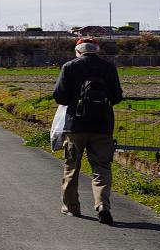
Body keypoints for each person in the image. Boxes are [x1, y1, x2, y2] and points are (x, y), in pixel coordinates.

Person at [52, 34, 125, 224]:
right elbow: (117, 97)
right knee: (101, 168)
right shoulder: (108, 68)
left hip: (75, 127)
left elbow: (59, 96)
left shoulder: (69, 67)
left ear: (78, 51)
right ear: (97, 50)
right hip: (102, 126)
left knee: (72, 167)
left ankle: (71, 207)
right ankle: (102, 206)